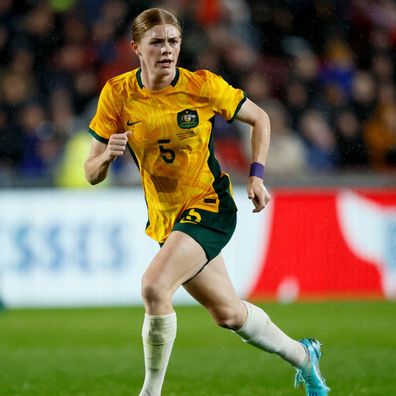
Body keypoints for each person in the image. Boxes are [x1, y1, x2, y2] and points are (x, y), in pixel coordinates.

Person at [84, 8, 330, 396]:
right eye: (157, 42)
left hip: (210, 206)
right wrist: (105, 157)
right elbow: (90, 174)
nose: (167, 50)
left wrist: (257, 174)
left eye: (173, 41)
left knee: (154, 286)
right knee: (229, 314)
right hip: (170, 220)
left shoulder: (202, 86)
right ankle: (303, 356)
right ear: (135, 47)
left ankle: (150, 392)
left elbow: (260, 118)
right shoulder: (117, 94)